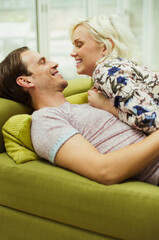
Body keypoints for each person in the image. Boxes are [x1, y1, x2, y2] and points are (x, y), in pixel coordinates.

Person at [0, 47, 159, 186]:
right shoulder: (45, 120)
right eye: (42, 62)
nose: (54, 63)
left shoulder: (90, 103)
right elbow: (104, 170)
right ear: (25, 81)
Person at [70, 14, 159, 134]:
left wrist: (106, 105)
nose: (72, 53)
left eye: (79, 45)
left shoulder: (106, 70)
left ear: (104, 48)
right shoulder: (119, 67)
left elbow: (151, 121)